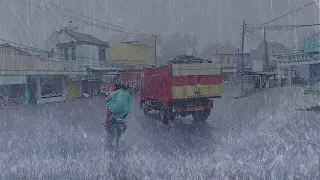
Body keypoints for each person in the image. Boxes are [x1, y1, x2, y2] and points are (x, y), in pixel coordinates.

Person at [104, 82, 131, 148]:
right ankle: (117, 137)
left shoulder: (115, 93)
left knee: (110, 121)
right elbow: (127, 103)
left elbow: (106, 99)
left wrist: (106, 99)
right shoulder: (127, 94)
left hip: (115, 112)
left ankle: (109, 128)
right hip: (125, 113)